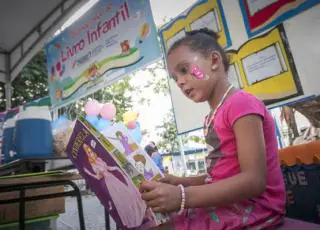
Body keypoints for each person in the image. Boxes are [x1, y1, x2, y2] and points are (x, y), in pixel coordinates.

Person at [139, 28, 285, 229]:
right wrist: (182, 182)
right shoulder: (212, 116)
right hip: (230, 204)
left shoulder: (241, 104)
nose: (180, 81)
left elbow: (254, 181)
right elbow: (219, 176)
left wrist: (182, 196)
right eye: (175, 78)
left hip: (255, 208)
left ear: (214, 61)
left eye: (184, 70)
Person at [82, 144, 146, 228]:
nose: (91, 154)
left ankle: (137, 214)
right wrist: (88, 173)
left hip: (113, 179)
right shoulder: (93, 165)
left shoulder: (99, 159)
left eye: (91, 151)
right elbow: (98, 177)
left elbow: (108, 168)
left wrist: (117, 168)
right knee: (120, 200)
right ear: (87, 155)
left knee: (127, 194)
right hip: (109, 183)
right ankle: (131, 220)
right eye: (88, 153)